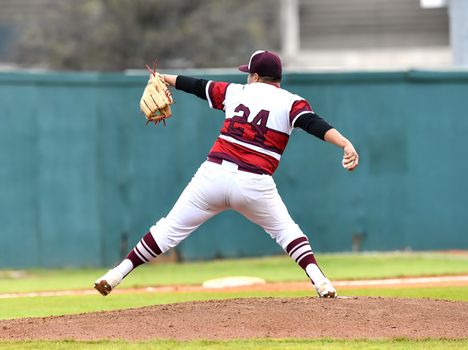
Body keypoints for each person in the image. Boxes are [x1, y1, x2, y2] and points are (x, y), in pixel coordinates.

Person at [94, 50, 359, 298]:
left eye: (248, 72)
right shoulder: (292, 102)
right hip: (254, 182)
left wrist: (163, 78)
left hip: (213, 176)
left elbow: (198, 85)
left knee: (166, 230)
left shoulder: (236, 91)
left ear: (254, 76)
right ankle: (320, 281)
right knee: (288, 233)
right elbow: (313, 124)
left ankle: (116, 274)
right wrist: (345, 143)